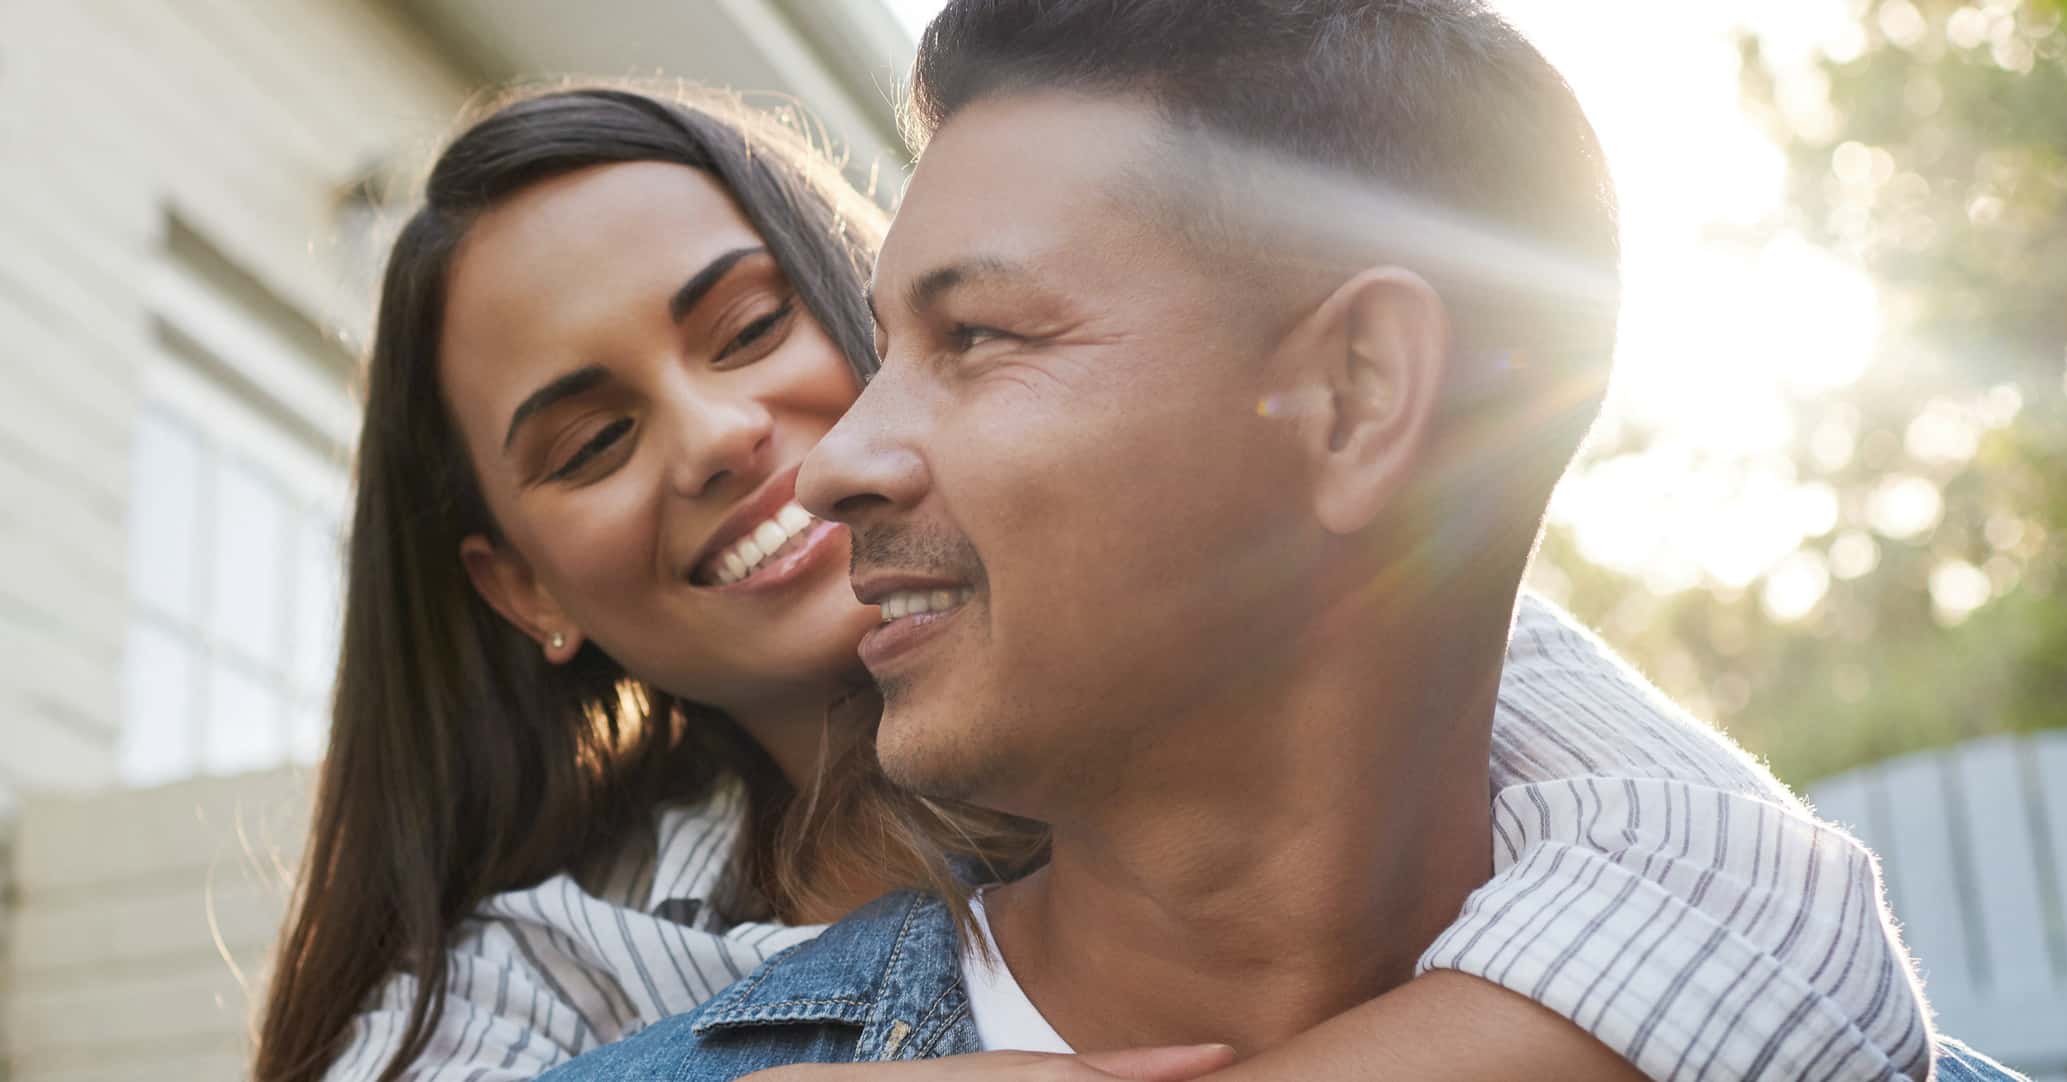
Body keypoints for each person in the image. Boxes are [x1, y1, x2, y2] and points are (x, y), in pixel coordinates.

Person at [250, 81, 1937, 1082]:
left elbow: (1770, 905)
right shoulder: (564, 958)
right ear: (517, 581)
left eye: (751, 326)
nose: (715, 436)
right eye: (589, 438)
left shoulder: (1288, 642)